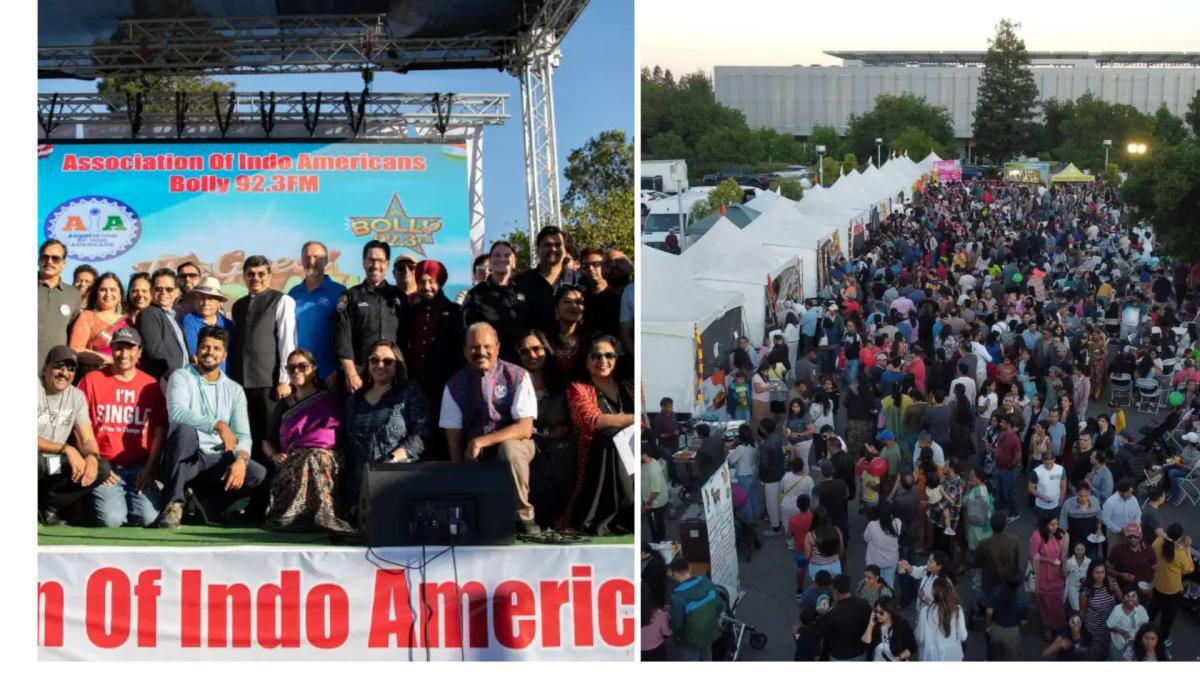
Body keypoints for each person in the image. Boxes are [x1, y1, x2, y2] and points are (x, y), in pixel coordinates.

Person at [155, 326, 268, 528]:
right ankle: (174, 502)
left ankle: (210, 504)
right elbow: (176, 413)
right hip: (187, 459)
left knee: (257, 474)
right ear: (197, 350)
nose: (210, 352)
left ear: (224, 355)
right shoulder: (181, 376)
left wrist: (241, 459)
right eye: (205, 347)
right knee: (184, 431)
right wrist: (217, 425)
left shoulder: (234, 389)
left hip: (217, 459)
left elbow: (243, 435)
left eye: (216, 348)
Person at [441, 323, 541, 533]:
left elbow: (524, 428)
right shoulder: (453, 385)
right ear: (465, 350)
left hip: (518, 445)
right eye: (474, 347)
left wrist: (481, 441)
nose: (481, 352)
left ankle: (523, 517)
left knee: (509, 449)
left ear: (497, 347)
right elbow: (454, 441)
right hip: (475, 452)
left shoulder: (518, 375)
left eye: (487, 346)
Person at [228, 255, 297, 516]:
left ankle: (277, 502)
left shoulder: (282, 300)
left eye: (261, 274)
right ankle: (255, 503)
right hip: (242, 385)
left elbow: (287, 342)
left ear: (269, 275)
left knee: (272, 442)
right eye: (251, 274)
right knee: (250, 442)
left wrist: (284, 379)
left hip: (270, 384)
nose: (255, 278)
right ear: (244, 276)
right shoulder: (238, 306)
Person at [78, 327, 167, 527]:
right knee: (111, 520)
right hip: (105, 466)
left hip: (139, 468)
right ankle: (93, 501)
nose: (124, 354)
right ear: (111, 349)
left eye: (130, 348)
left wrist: (150, 468)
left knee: (148, 518)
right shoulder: (92, 380)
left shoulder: (150, 385)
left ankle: (125, 504)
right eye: (119, 348)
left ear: (140, 352)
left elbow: (159, 432)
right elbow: (79, 426)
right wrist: (97, 466)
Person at [261, 348, 353, 533]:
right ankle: (299, 516)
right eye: (291, 368)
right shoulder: (284, 404)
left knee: (314, 457)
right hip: (290, 462)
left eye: (303, 366)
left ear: (314, 368)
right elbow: (266, 441)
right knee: (309, 458)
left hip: (328, 457)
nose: (297, 371)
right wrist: (274, 456)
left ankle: (324, 513)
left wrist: (308, 447)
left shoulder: (328, 399)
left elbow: (332, 434)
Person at [562, 335, 635, 535]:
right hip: (598, 457)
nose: (603, 360)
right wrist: (632, 419)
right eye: (595, 356)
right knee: (610, 436)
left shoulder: (628, 386)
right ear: (586, 361)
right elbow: (591, 420)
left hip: (634, 453)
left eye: (609, 355)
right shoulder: (579, 388)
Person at [37, 345, 111, 524]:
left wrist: (92, 456)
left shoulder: (77, 396)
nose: (64, 373)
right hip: (37, 460)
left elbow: (87, 438)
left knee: (102, 468)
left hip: (54, 463)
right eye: (59, 366)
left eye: (71, 368)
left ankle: (48, 506)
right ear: (45, 368)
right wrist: (66, 449)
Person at [399, 259, 466, 456]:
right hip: (415, 388)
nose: (426, 287)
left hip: (444, 388)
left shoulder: (454, 312)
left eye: (431, 282)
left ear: (440, 282)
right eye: (422, 282)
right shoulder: (411, 313)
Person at [288, 241, 347, 383]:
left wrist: (339, 370)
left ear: (326, 261)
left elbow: (347, 333)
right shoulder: (293, 294)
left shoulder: (340, 292)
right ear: (302, 261)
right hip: (300, 374)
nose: (311, 261)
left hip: (330, 375)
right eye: (307, 257)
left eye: (316, 257)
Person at [462, 241, 531, 362]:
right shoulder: (475, 294)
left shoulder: (526, 291)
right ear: (490, 262)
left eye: (507, 255)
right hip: (489, 362)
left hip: (521, 362)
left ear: (514, 262)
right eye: (497, 255)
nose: (502, 259)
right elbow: (465, 330)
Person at [68, 271, 129, 375]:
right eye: (103, 290)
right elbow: (75, 350)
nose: (108, 294)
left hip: (124, 377)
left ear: (120, 295)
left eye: (113, 290)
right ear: (96, 294)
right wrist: (112, 359)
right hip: (95, 376)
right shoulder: (87, 316)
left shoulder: (128, 320)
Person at [135, 268, 188, 387]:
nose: (163, 292)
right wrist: (176, 379)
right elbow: (156, 352)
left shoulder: (174, 317)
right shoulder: (149, 313)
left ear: (176, 292)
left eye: (169, 289)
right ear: (152, 291)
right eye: (158, 289)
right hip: (165, 382)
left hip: (181, 381)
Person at [667, 556, 725, 661]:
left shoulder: (677, 597)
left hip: (689, 641)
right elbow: (720, 606)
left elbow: (677, 624)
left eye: (672, 575)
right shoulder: (706, 581)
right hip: (709, 631)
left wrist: (669, 617)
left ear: (675, 574)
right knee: (706, 655)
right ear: (689, 568)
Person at [1149, 522, 1194, 646]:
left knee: (1153, 609)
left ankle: (1145, 628)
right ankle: (1163, 637)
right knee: (1168, 616)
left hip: (1158, 583)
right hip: (1172, 590)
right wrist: (1187, 548)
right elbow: (1189, 568)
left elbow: (1158, 543)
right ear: (1179, 537)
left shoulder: (1158, 542)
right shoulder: (1179, 553)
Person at [37, 239, 81, 366]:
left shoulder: (73, 294)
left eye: (55, 258)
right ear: (39, 260)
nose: (49, 261)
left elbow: (71, 330)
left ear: (64, 263)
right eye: (45, 257)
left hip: (55, 369)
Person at [179, 276, 234, 371]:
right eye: (201, 298)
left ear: (219, 302)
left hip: (225, 375)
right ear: (195, 300)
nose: (205, 303)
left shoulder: (227, 324)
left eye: (211, 299)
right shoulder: (189, 321)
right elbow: (194, 353)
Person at [815, 574, 872, 661]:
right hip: (861, 653)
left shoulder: (833, 614)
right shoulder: (863, 603)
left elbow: (819, 631)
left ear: (835, 591)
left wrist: (825, 614)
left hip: (840, 656)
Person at [1030, 516, 1070, 641]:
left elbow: (1064, 554)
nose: (1054, 527)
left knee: (1058, 601)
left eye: (1056, 524)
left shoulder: (1061, 535)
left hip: (1057, 574)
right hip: (1043, 574)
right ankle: (1047, 627)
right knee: (1046, 602)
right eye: (1051, 524)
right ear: (1045, 525)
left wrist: (1063, 569)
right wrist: (1048, 560)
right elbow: (1034, 555)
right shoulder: (1037, 536)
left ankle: (1059, 625)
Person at [914, 576, 968, 661]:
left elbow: (919, 638)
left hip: (931, 656)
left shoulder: (925, 612)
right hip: (953, 654)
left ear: (933, 592)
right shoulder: (957, 610)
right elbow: (963, 636)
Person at [1078, 558, 1121, 660]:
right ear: (1091, 573)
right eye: (1097, 573)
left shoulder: (1112, 583)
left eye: (1102, 572)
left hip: (1111, 626)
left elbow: (1121, 601)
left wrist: (1116, 590)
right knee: (1095, 653)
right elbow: (1082, 612)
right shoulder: (1085, 590)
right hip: (1094, 628)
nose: (1100, 575)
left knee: (1109, 651)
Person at [983, 576, 1029, 661]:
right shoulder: (1022, 597)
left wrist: (987, 626)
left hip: (995, 629)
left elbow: (989, 611)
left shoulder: (995, 590)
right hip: (1012, 632)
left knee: (995, 657)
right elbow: (1024, 622)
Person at [975, 512, 1022, 592]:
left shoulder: (983, 544)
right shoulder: (1015, 541)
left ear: (991, 525)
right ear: (1005, 525)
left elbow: (976, 562)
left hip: (990, 583)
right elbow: (1016, 563)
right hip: (1009, 582)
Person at [860, 597, 916, 661]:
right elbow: (865, 644)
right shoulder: (874, 625)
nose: (877, 615)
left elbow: (912, 647)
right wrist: (870, 624)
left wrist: (899, 658)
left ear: (890, 612)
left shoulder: (902, 625)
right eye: (876, 611)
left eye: (881, 613)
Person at [863, 504, 902, 588]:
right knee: (889, 584)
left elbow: (866, 538)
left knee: (873, 585)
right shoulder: (897, 523)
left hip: (874, 562)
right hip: (891, 561)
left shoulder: (872, 525)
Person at [759, 418, 786, 535]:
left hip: (770, 477)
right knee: (779, 500)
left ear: (765, 429)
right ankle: (780, 521)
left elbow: (764, 464)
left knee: (771, 504)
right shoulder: (777, 438)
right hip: (780, 473)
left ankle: (775, 527)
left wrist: (761, 475)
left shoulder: (765, 445)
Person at [1107, 586, 1150, 661]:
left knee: (1130, 659)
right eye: (1128, 596)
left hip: (1135, 641)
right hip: (1119, 643)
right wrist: (1121, 631)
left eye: (1133, 596)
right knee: (1118, 658)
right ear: (1124, 599)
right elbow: (1109, 627)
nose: (1130, 599)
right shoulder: (1117, 610)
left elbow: (1146, 624)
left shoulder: (1141, 609)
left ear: (1137, 600)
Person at [1102, 479, 1142, 552]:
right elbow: (1106, 520)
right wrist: (1120, 530)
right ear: (1120, 492)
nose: (1131, 494)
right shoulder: (1110, 502)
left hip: (1131, 534)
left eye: (1131, 491)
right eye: (1128, 492)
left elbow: (1138, 514)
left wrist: (1135, 526)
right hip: (1115, 535)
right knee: (1115, 553)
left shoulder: (1133, 499)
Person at [806, 505, 845, 579]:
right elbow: (842, 550)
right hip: (834, 566)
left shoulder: (810, 535)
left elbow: (807, 556)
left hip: (817, 568)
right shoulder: (836, 530)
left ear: (814, 519)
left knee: (818, 585)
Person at [1029, 450, 1067, 523]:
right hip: (1041, 507)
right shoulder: (1036, 471)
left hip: (1056, 506)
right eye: (1046, 463)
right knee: (1041, 526)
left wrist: (1060, 502)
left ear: (1054, 460)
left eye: (1051, 463)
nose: (1049, 465)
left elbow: (1063, 486)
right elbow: (1031, 488)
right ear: (1042, 461)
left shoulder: (1061, 469)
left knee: (1053, 526)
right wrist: (1042, 497)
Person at [641, 444, 668, 543]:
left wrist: (648, 504)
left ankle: (660, 543)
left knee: (656, 525)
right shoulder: (647, 463)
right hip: (650, 501)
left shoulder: (653, 470)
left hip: (655, 504)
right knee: (653, 524)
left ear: (644, 455)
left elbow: (655, 491)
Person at [641, 585, 672, 662]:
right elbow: (667, 632)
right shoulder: (658, 613)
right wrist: (667, 616)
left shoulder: (627, 615)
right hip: (656, 649)